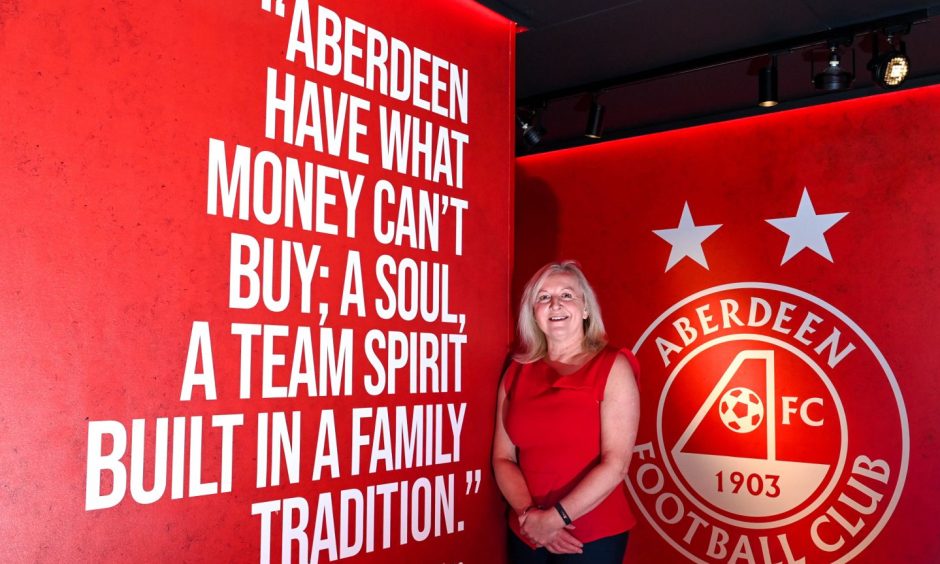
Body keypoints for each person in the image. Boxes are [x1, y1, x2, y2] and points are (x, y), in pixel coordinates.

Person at [493, 261, 640, 563]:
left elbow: (616, 464)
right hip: (526, 532)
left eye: (567, 295)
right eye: (543, 297)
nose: (555, 304)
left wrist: (555, 519)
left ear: (586, 309)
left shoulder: (614, 366)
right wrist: (531, 517)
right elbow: (503, 457)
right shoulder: (516, 372)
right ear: (533, 312)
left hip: (591, 536)